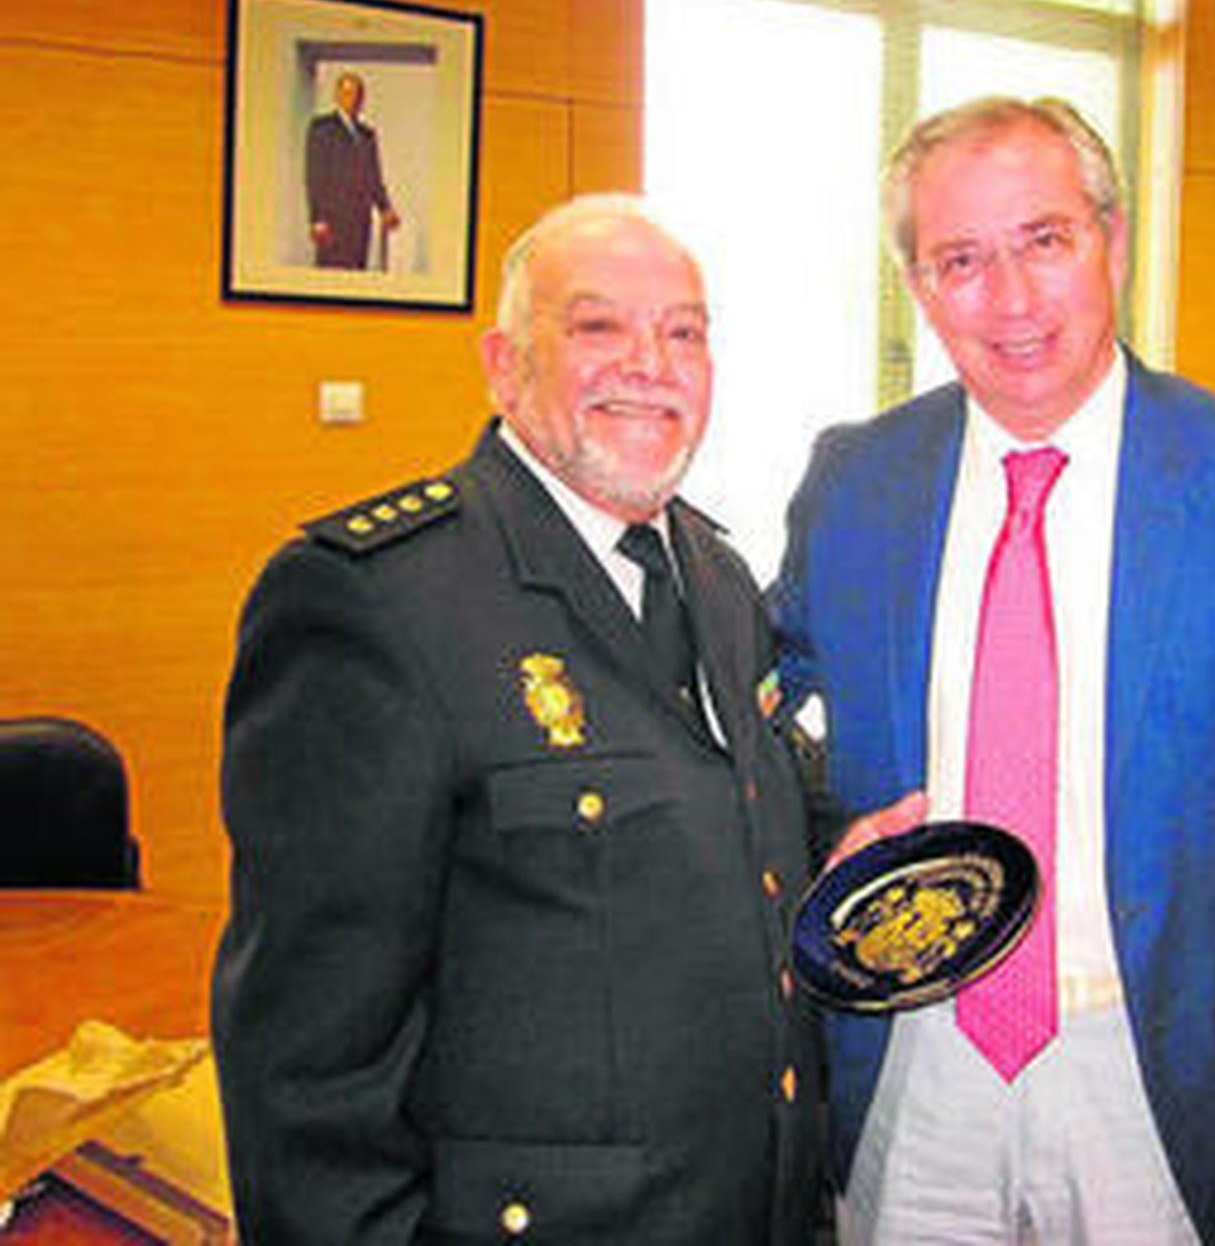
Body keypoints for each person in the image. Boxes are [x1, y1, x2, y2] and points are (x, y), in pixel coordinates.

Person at [771, 96, 1215, 1244]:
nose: (1011, 298)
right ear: (919, 287)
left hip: (1157, 1057)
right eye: (960, 259)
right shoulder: (854, 479)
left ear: (1111, 242)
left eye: (1044, 240)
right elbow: (764, 717)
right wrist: (826, 844)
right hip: (911, 1058)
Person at [213, 195, 825, 1243]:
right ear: (504, 365)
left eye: (683, 332)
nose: (650, 364)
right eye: (598, 326)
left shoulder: (719, 579)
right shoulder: (377, 601)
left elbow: (733, 829)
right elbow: (308, 1062)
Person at [305, 71, 400, 269]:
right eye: (347, 93)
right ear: (337, 96)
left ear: (362, 99)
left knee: (356, 269)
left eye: (357, 94)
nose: (352, 99)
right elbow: (314, 175)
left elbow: (373, 177)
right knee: (331, 274)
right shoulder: (322, 128)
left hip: (360, 219)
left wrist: (385, 208)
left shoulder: (367, 135)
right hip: (332, 220)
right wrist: (317, 218)